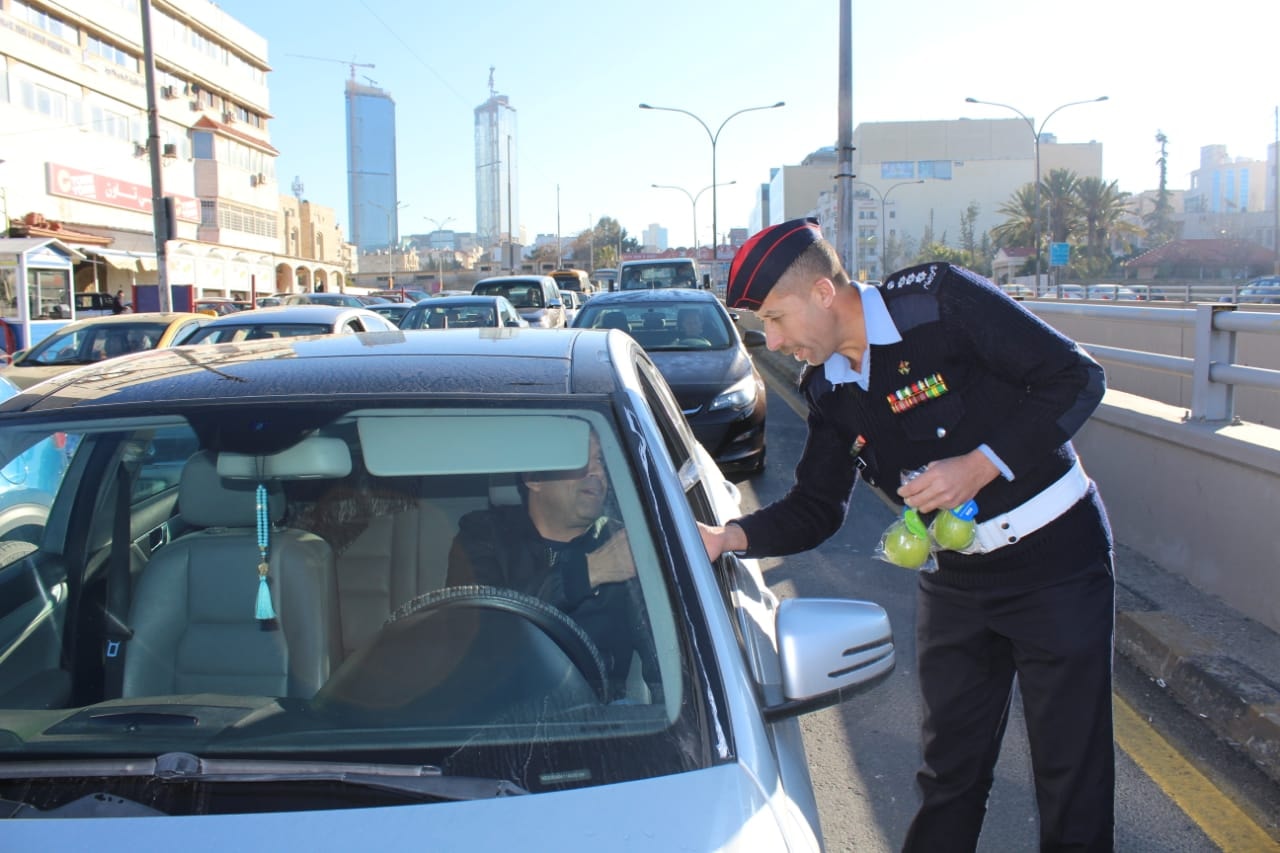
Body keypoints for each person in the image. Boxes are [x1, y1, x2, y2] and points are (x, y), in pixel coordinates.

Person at [699, 218, 1115, 852]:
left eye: (777, 320)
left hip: (1056, 561)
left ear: (822, 292)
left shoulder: (937, 303)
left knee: (1070, 777)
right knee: (949, 773)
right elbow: (817, 505)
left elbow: (1076, 377)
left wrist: (978, 465)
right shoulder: (830, 389)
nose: (774, 342)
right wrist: (728, 537)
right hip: (958, 582)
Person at [446, 430, 658, 702]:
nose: (597, 473)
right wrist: (589, 572)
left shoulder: (623, 544)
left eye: (602, 461)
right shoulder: (483, 534)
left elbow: (664, 656)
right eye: (581, 459)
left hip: (596, 722)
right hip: (497, 715)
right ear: (534, 478)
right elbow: (480, 627)